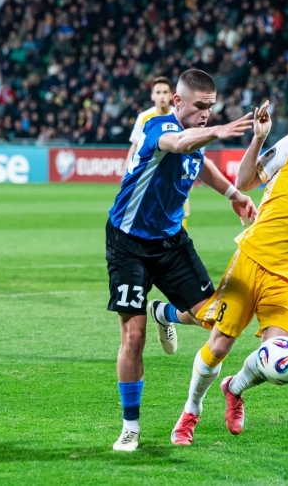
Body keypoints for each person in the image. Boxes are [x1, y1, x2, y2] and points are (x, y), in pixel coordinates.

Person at [155, 97, 288, 446]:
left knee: (283, 361)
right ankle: (191, 410)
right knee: (220, 344)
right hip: (252, 258)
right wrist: (258, 137)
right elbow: (244, 179)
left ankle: (234, 387)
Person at [106, 69, 258, 452]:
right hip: (129, 242)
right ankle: (131, 426)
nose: (207, 113)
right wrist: (217, 131)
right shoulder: (158, 126)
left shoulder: (197, 134)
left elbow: (199, 160)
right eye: (200, 106)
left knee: (213, 315)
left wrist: (233, 194)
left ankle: (164, 314)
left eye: (211, 107)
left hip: (171, 242)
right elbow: (179, 144)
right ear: (177, 102)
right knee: (133, 336)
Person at [126, 77, 191, 228]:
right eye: (158, 92)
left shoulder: (181, 116)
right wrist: (127, 173)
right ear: (152, 95)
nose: (161, 96)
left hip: (176, 176)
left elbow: (189, 145)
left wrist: (189, 173)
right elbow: (135, 146)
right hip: (151, 177)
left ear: (171, 95)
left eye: (165, 92)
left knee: (179, 219)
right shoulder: (144, 118)